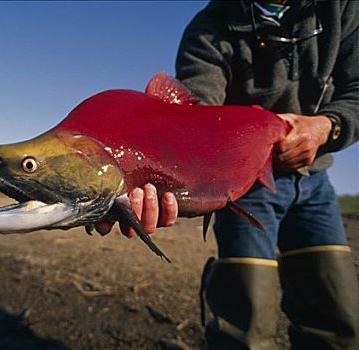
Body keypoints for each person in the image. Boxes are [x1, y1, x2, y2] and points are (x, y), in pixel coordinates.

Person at [97, 1, 359, 348]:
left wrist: (328, 127)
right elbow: (196, 115)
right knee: (243, 321)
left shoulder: (343, 8)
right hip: (243, 186)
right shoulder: (210, 25)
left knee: (336, 314)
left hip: (316, 180)